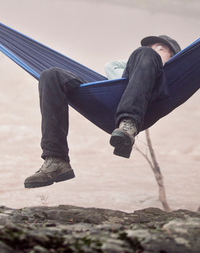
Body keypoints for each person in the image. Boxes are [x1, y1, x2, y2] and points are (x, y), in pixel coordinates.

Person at [24, 35, 182, 188]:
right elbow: (111, 66)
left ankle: (128, 124)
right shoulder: (133, 66)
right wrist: (140, 61)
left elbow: (151, 57)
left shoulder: (171, 81)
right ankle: (56, 160)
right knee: (50, 75)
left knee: (145, 54)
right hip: (109, 102)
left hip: (140, 112)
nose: (153, 51)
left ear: (174, 58)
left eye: (160, 49)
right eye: (150, 48)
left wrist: (149, 57)